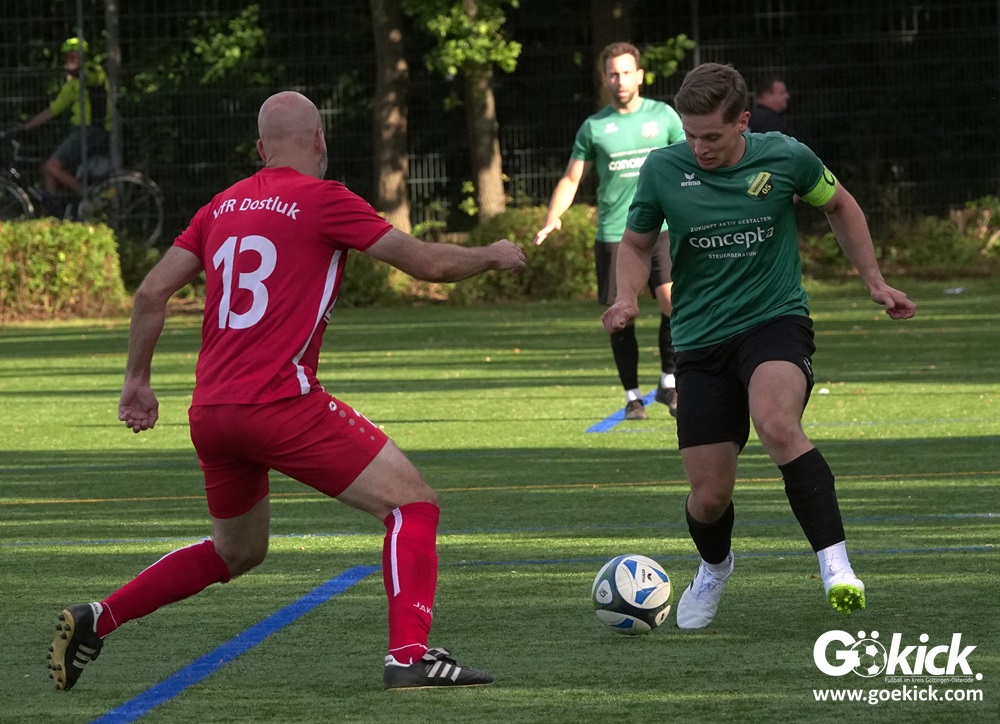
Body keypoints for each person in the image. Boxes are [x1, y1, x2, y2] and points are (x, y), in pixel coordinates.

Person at [46, 90, 526, 692]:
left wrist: (137, 381)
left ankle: (98, 618)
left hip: (213, 412)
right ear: (320, 140)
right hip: (280, 404)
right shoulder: (326, 199)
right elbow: (429, 264)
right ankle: (409, 657)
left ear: (259, 149)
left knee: (236, 551)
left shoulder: (220, 206)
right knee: (412, 505)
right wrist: (492, 254)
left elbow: (150, 293)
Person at [602, 63, 915, 629]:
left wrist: (874, 281)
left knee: (776, 423)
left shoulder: (787, 157)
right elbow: (636, 243)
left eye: (712, 136)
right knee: (709, 497)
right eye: (690, 134)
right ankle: (714, 567)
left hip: (774, 321)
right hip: (699, 339)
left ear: (743, 121)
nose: (698, 147)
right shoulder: (663, 168)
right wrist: (627, 297)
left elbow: (840, 205)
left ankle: (836, 567)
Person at [534, 42, 684, 420]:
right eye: (613, 74)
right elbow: (572, 178)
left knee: (674, 301)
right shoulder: (594, 127)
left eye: (627, 72)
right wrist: (553, 215)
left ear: (640, 75)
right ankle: (632, 396)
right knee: (622, 314)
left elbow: (690, 161)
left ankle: (669, 381)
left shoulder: (664, 116)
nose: (621, 80)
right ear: (604, 79)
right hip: (616, 233)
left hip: (663, 228)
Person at [18, 37, 112, 214]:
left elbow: (94, 78)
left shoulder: (94, 70)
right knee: (47, 168)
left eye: (75, 56)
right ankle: (56, 213)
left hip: (92, 130)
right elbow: (54, 109)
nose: (70, 59)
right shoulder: (72, 84)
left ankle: (90, 196)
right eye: (68, 56)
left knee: (53, 165)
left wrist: (77, 71)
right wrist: (26, 127)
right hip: (79, 130)